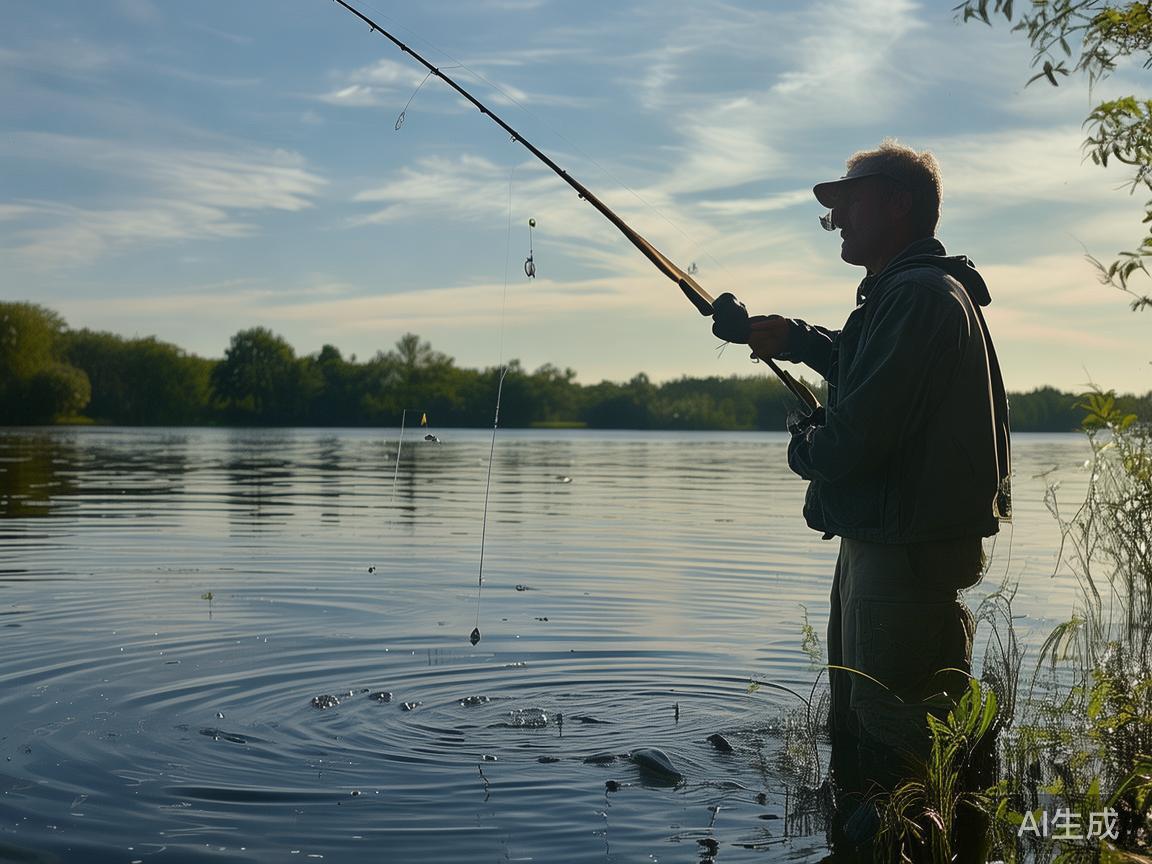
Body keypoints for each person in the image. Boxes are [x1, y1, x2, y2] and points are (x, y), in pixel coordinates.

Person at [711, 140, 1011, 856]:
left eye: (850, 201)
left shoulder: (918, 297)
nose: (837, 218)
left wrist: (803, 445)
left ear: (899, 204)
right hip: (883, 546)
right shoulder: (909, 295)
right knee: (863, 740)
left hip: (902, 559)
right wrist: (787, 337)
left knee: (895, 748)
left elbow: (855, 439)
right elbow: (861, 364)